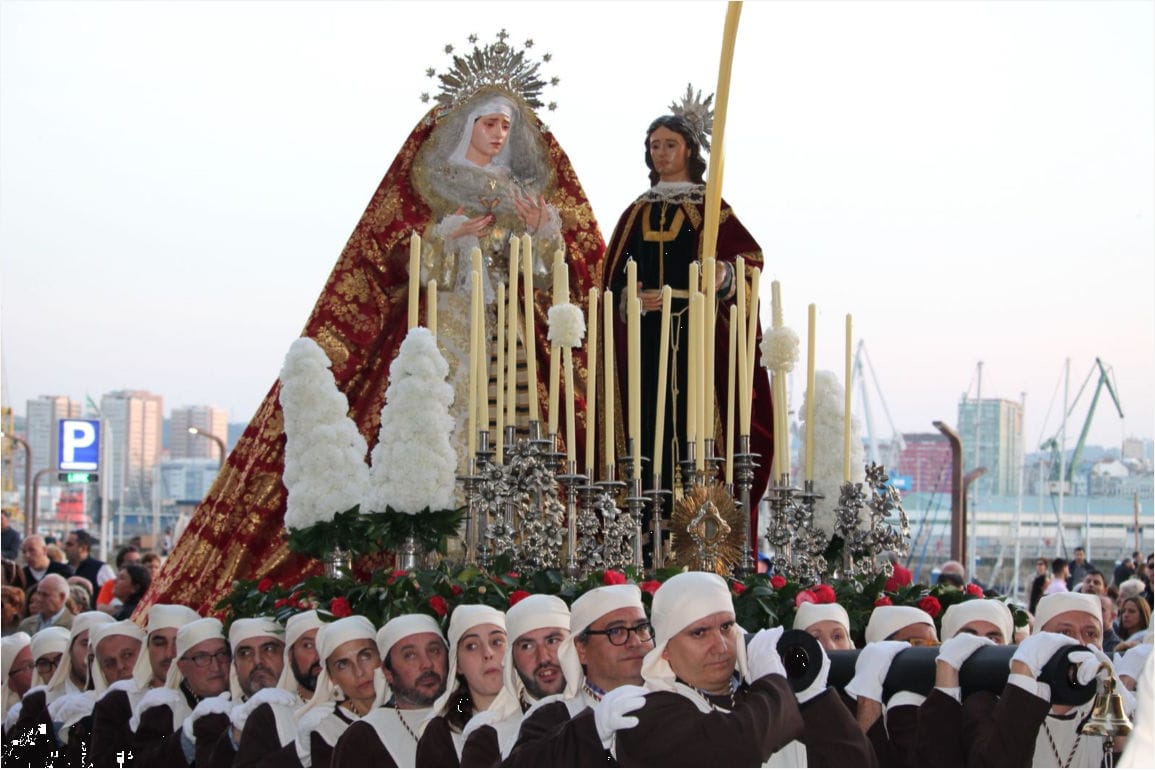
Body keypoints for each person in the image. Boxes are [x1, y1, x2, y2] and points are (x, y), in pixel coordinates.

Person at [142, 34, 605, 617]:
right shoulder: (431, 182)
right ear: (465, 126)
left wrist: (543, 234)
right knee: (440, 433)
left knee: (519, 442)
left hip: (507, 338)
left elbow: (544, 280)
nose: (498, 135)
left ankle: (512, 555)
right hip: (443, 329)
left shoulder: (519, 194)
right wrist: (443, 240)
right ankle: (429, 557)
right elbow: (387, 259)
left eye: (506, 127)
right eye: (489, 123)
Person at [602, 109, 773, 532]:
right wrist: (630, 298)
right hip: (645, 339)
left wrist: (724, 276)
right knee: (645, 426)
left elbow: (749, 261)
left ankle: (700, 521)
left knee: (692, 423)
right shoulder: (636, 212)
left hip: (696, 337)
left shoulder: (711, 208)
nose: (661, 153)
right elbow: (610, 278)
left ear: (690, 150)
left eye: (670, 145)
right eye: (654, 145)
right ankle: (644, 520)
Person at [613, 571, 871, 767]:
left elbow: (857, 762)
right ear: (666, 648)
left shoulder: (764, 698)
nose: (720, 646)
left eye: (726, 627)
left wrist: (814, 697)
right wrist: (772, 679)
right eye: (700, 633)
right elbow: (738, 748)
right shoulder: (646, 712)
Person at [964, 592, 1135, 767]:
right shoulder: (993, 703)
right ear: (1039, 639)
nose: (1080, 643)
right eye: (1065, 632)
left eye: (1091, 634)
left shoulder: (1101, 709)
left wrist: (1119, 705)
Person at [504, 584, 652, 767]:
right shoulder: (552, 716)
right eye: (616, 631)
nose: (635, 641)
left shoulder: (676, 702)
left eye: (641, 628)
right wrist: (590, 731)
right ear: (581, 649)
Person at [88, 604, 201, 768]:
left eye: (178, 642)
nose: (169, 653)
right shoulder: (121, 699)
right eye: (160, 642)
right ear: (147, 648)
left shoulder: (207, 694)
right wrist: (135, 726)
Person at [331, 613, 449, 768]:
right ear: (387, 672)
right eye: (410, 655)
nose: (427, 664)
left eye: (434, 650)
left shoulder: (463, 708)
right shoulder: (363, 737)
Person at [415, 604, 521, 766]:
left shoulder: (539, 711)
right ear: (458, 665)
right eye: (472, 646)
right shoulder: (443, 733)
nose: (488, 653)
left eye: (497, 641)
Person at [130, 617, 231, 767]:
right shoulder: (163, 709)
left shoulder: (244, 699)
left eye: (221, 654)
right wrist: (188, 737)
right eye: (201, 657)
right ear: (182, 666)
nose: (215, 667)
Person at [295, 615, 383, 768]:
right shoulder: (327, 731)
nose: (359, 672)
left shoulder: (411, 705)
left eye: (365, 656)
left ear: (381, 657)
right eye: (343, 665)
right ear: (331, 677)